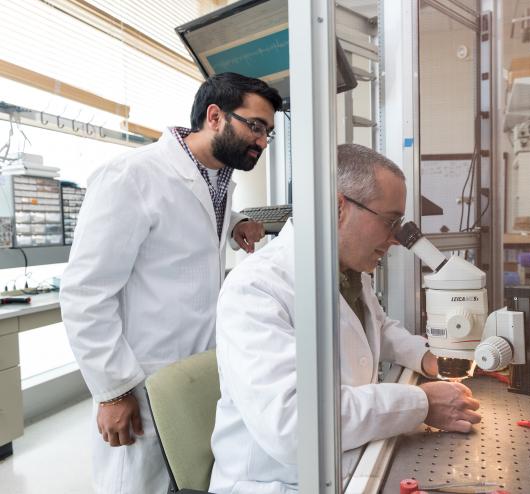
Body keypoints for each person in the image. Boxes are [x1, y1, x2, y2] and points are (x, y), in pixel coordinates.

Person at [209, 143, 482, 493]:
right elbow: (292, 425)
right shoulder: (256, 287)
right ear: (339, 207)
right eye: (389, 221)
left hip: (346, 460)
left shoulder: (347, 269)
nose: (396, 239)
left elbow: (377, 328)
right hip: (280, 481)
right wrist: (421, 402)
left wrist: (431, 358)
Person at [60, 72, 282, 494]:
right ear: (215, 116)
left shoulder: (217, 179)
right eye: (255, 126)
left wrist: (234, 225)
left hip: (197, 371)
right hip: (142, 378)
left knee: (188, 480)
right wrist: (112, 391)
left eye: (268, 132)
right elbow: (85, 293)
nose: (263, 141)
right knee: (139, 484)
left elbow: (181, 229)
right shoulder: (131, 176)